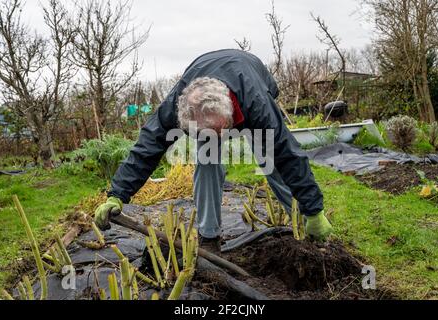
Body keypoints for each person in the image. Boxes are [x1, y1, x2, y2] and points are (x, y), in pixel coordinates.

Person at [95, 49, 332, 253]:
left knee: (273, 162)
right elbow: (146, 148)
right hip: (208, 85)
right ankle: (208, 236)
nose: (218, 138)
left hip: (250, 81)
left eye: (220, 131)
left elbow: (288, 154)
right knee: (207, 162)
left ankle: (305, 222)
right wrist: (117, 194)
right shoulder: (177, 105)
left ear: (229, 114)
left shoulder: (257, 104)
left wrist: (314, 209)